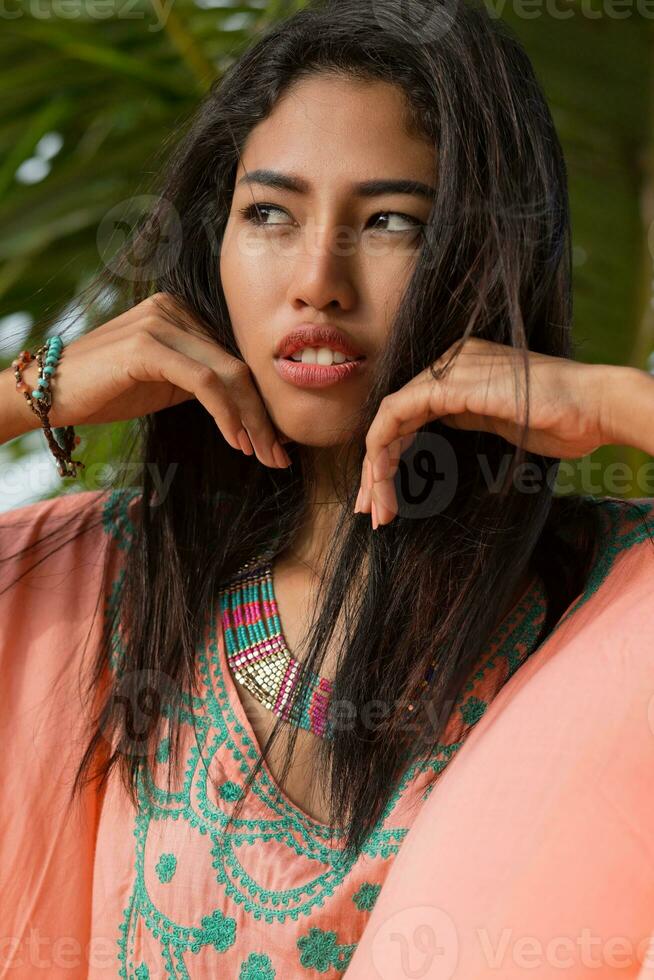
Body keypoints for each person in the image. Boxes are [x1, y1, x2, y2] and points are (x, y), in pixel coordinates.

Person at [2, 0, 654, 977]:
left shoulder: (609, 597)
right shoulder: (105, 583)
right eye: (270, 213)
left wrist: (612, 399)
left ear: (485, 254)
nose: (318, 278)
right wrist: (30, 389)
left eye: (390, 220)